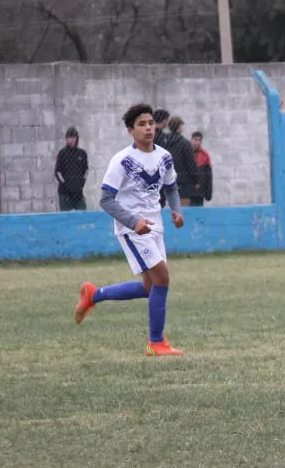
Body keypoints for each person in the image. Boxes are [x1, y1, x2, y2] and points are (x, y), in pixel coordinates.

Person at [73, 103, 186, 357]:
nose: (148, 128)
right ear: (130, 130)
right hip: (133, 230)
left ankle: (94, 295)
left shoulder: (164, 156)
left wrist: (176, 210)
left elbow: (171, 187)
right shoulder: (122, 160)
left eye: (150, 123)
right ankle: (155, 343)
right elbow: (106, 199)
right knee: (163, 279)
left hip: (155, 228)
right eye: (141, 124)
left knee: (150, 287)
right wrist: (134, 221)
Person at [164, 116, 198, 206]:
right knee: (183, 209)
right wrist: (196, 181)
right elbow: (191, 164)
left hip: (167, 179)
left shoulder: (164, 142)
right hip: (183, 181)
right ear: (179, 127)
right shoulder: (185, 143)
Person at [54, 127, 88, 211]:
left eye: (73, 138)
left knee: (83, 215)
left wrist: (81, 183)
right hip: (64, 193)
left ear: (77, 139)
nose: (72, 140)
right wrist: (66, 184)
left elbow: (86, 171)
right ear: (66, 139)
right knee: (66, 219)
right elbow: (57, 172)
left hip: (78, 193)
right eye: (69, 138)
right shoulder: (62, 153)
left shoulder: (82, 153)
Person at [190, 131, 213, 206]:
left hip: (200, 192)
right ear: (191, 140)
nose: (197, 142)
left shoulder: (205, 155)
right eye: (195, 140)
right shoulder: (186, 152)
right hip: (187, 191)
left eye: (199, 140)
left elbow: (208, 175)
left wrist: (208, 193)